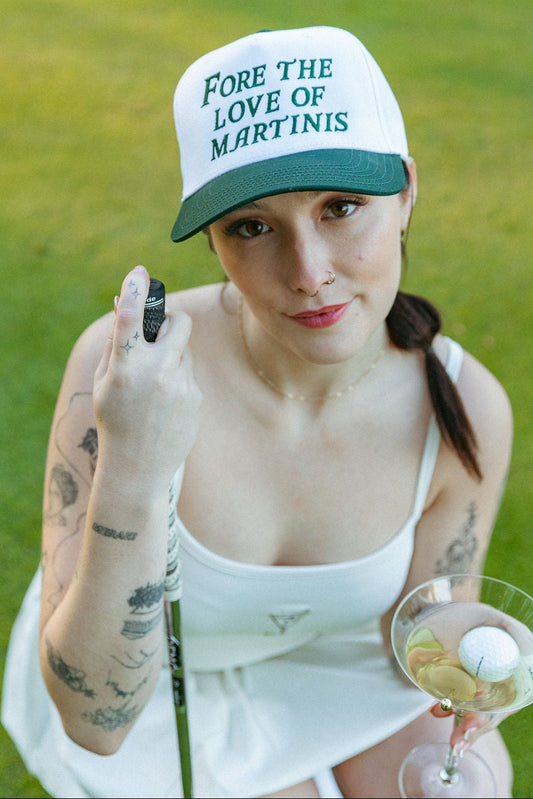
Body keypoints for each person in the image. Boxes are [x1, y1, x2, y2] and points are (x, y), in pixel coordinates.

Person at [2, 26, 514, 798]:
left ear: (406, 192)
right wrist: (134, 462)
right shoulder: (133, 375)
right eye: (252, 226)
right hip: (153, 690)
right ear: (213, 242)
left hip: (335, 666)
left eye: (341, 207)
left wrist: (474, 640)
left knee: (462, 784)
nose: (308, 272)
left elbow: (417, 625)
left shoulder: (462, 406)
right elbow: (96, 716)